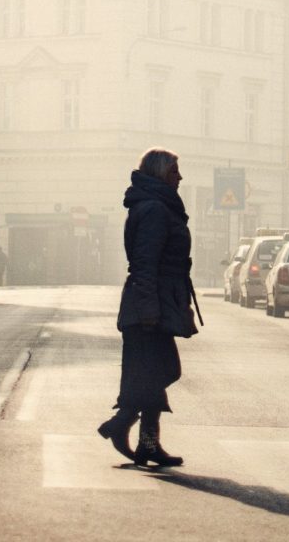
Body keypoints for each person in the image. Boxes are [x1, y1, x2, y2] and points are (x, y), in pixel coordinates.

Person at [98, 147, 203, 467]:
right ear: (159, 173)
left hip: (157, 301)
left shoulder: (158, 206)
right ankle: (125, 425)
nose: (180, 177)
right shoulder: (156, 209)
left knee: (153, 372)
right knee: (162, 370)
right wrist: (148, 310)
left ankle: (146, 442)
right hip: (149, 304)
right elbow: (144, 263)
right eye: (174, 172)